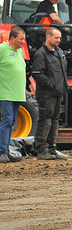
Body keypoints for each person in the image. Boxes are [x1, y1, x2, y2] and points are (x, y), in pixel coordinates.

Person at [31, 27, 68, 160]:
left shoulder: (59, 52)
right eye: (56, 38)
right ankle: (42, 150)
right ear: (48, 37)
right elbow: (37, 74)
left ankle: (51, 148)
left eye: (60, 38)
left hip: (58, 93)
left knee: (55, 121)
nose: (59, 40)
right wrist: (51, 85)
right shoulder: (41, 54)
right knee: (45, 120)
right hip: (47, 94)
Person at [0, 26, 27, 164]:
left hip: (17, 94)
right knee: (6, 120)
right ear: (12, 38)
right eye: (21, 39)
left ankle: (6, 150)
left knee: (11, 122)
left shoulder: (20, 52)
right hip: (5, 93)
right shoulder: (2, 49)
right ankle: (2, 152)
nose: (23, 42)